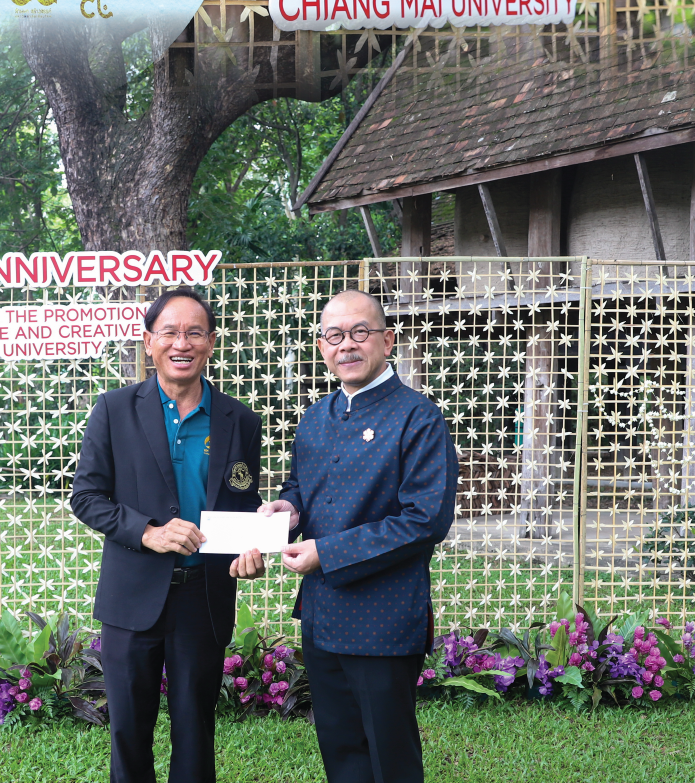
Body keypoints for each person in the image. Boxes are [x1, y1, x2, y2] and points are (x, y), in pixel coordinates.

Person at [259, 289, 457, 783]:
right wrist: (289, 509)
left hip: (383, 619)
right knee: (341, 749)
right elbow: (301, 488)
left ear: (387, 341)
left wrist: (325, 552)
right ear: (322, 347)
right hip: (321, 615)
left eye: (360, 332)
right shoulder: (315, 417)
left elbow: (425, 521)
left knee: (390, 757)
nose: (346, 344)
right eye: (334, 336)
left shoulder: (418, 418)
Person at [71, 286, 265, 783]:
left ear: (211, 342)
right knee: (129, 730)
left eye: (194, 333)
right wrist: (147, 532)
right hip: (132, 595)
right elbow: (86, 497)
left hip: (203, 597)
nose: (182, 343)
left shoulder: (240, 420)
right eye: (170, 332)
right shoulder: (114, 409)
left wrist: (253, 546)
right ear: (148, 341)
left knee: (196, 730)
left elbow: (243, 501)